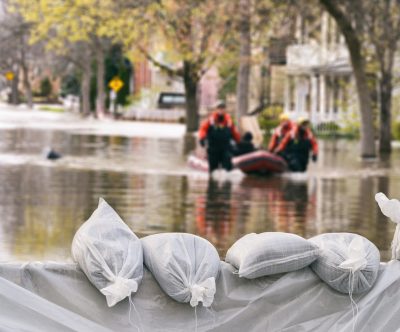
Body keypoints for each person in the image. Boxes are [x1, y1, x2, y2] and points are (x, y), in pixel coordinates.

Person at [198, 101, 241, 173]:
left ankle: (227, 182)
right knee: (213, 170)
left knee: (227, 167)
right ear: (216, 109)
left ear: (225, 109)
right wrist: (202, 138)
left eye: (223, 108)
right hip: (213, 148)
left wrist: (239, 142)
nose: (221, 110)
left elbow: (234, 132)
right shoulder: (211, 120)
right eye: (219, 108)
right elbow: (203, 129)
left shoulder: (228, 120)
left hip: (225, 148)